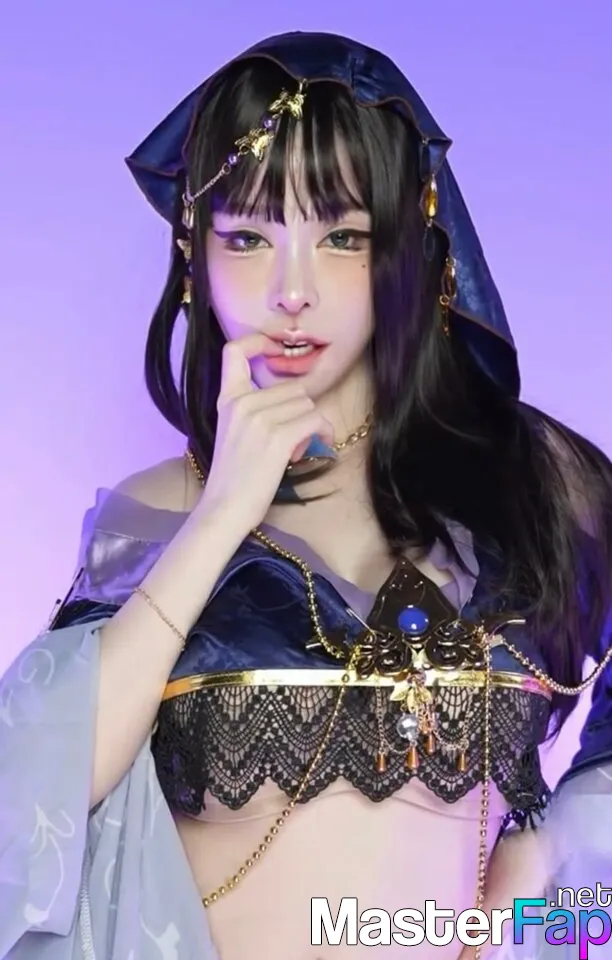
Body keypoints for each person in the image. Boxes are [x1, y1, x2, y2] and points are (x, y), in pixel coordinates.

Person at [1, 29, 611, 960]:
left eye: (343, 237)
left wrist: (552, 867)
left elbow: (565, 883)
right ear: (194, 254)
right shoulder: (162, 513)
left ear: (412, 245)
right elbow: (32, 798)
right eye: (247, 237)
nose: (292, 291)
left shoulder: (531, 485)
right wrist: (223, 513)